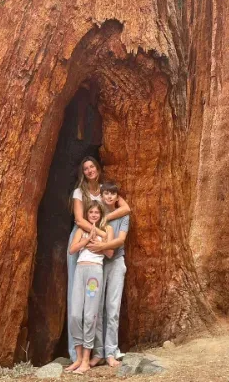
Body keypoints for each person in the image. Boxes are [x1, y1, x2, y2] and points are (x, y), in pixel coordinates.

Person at [67, 157, 131, 361]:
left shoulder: (106, 190)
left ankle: (103, 351)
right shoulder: (79, 191)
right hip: (83, 241)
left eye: (92, 166)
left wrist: (104, 223)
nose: (89, 170)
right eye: (85, 168)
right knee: (79, 298)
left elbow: (125, 209)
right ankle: (80, 352)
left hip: (103, 249)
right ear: (82, 172)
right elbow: (79, 219)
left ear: (98, 168)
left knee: (98, 302)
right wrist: (99, 233)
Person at [66, 201, 114, 374]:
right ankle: (78, 358)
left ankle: (86, 359)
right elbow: (72, 250)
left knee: (89, 315)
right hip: (80, 270)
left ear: (100, 214)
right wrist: (87, 239)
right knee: (75, 315)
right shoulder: (81, 230)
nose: (94, 215)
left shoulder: (107, 230)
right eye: (91, 212)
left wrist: (97, 243)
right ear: (87, 214)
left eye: (96, 212)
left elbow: (109, 252)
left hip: (94, 273)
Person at [87, 181, 130, 367]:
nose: (110, 197)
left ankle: (111, 352)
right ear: (101, 196)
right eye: (106, 194)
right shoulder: (96, 214)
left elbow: (120, 240)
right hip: (96, 264)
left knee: (113, 308)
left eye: (113, 194)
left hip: (116, 263)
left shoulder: (123, 216)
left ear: (117, 197)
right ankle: (98, 353)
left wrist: (102, 246)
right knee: (96, 308)